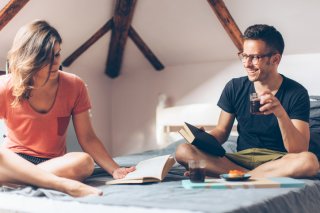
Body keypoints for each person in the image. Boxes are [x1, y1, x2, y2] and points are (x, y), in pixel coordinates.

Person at [0, 20, 134, 197]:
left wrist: (115, 169)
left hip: (55, 163)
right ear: (30, 58)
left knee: (85, 162)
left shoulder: (75, 85)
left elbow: (88, 138)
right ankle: (64, 185)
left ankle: (23, 181)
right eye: (46, 58)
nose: (55, 63)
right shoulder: (4, 86)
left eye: (57, 55)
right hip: (15, 161)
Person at [175, 24, 319, 178]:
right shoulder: (234, 87)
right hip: (240, 160)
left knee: (309, 161)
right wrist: (204, 139)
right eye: (244, 56)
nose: (247, 63)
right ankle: (249, 175)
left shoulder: (296, 93)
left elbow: (299, 150)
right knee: (183, 150)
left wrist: (281, 114)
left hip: (278, 160)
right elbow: (222, 131)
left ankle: (236, 176)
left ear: (275, 59)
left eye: (255, 57)